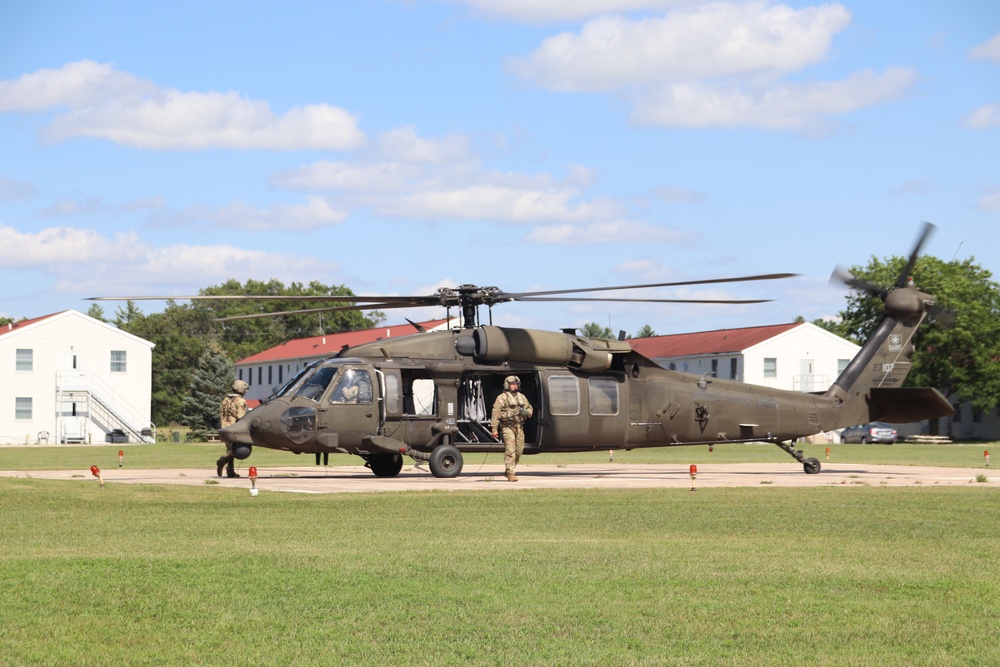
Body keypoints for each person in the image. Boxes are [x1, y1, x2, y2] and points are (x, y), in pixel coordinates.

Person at [490, 375, 533, 482]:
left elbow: (530, 409)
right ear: (507, 385)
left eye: (516, 384)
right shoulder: (501, 398)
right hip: (507, 427)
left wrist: (527, 412)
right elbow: (496, 413)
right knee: (510, 450)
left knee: (519, 450)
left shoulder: (522, 397)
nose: (514, 386)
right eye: (512, 384)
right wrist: (494, 429)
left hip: (519, 426)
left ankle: (509, 468)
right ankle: (510, 472)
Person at [217, 379, 248, 478]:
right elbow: (241, 417)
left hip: (224, 427)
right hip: (234, 429)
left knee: (229, 449)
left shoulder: (225, 400)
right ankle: (222, 461)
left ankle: (230, 472)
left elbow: (221, 414)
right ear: (241, 389)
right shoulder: (241, 401)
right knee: (236, 450)